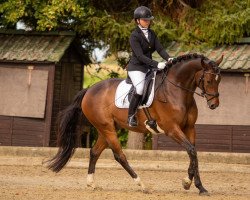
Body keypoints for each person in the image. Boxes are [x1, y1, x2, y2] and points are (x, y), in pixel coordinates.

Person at [127, 6, 172, 127]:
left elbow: (160, 49)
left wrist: (168, 58)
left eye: (149, 20)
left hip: (149, 67)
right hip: (136, 68)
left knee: (159, 84)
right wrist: (157, 64)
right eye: (145, 20)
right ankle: (131, 116)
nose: (148, 22)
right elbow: (140, 56)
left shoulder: (152, 33)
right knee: (140, 88)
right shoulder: (134, 36)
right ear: (137, 20)